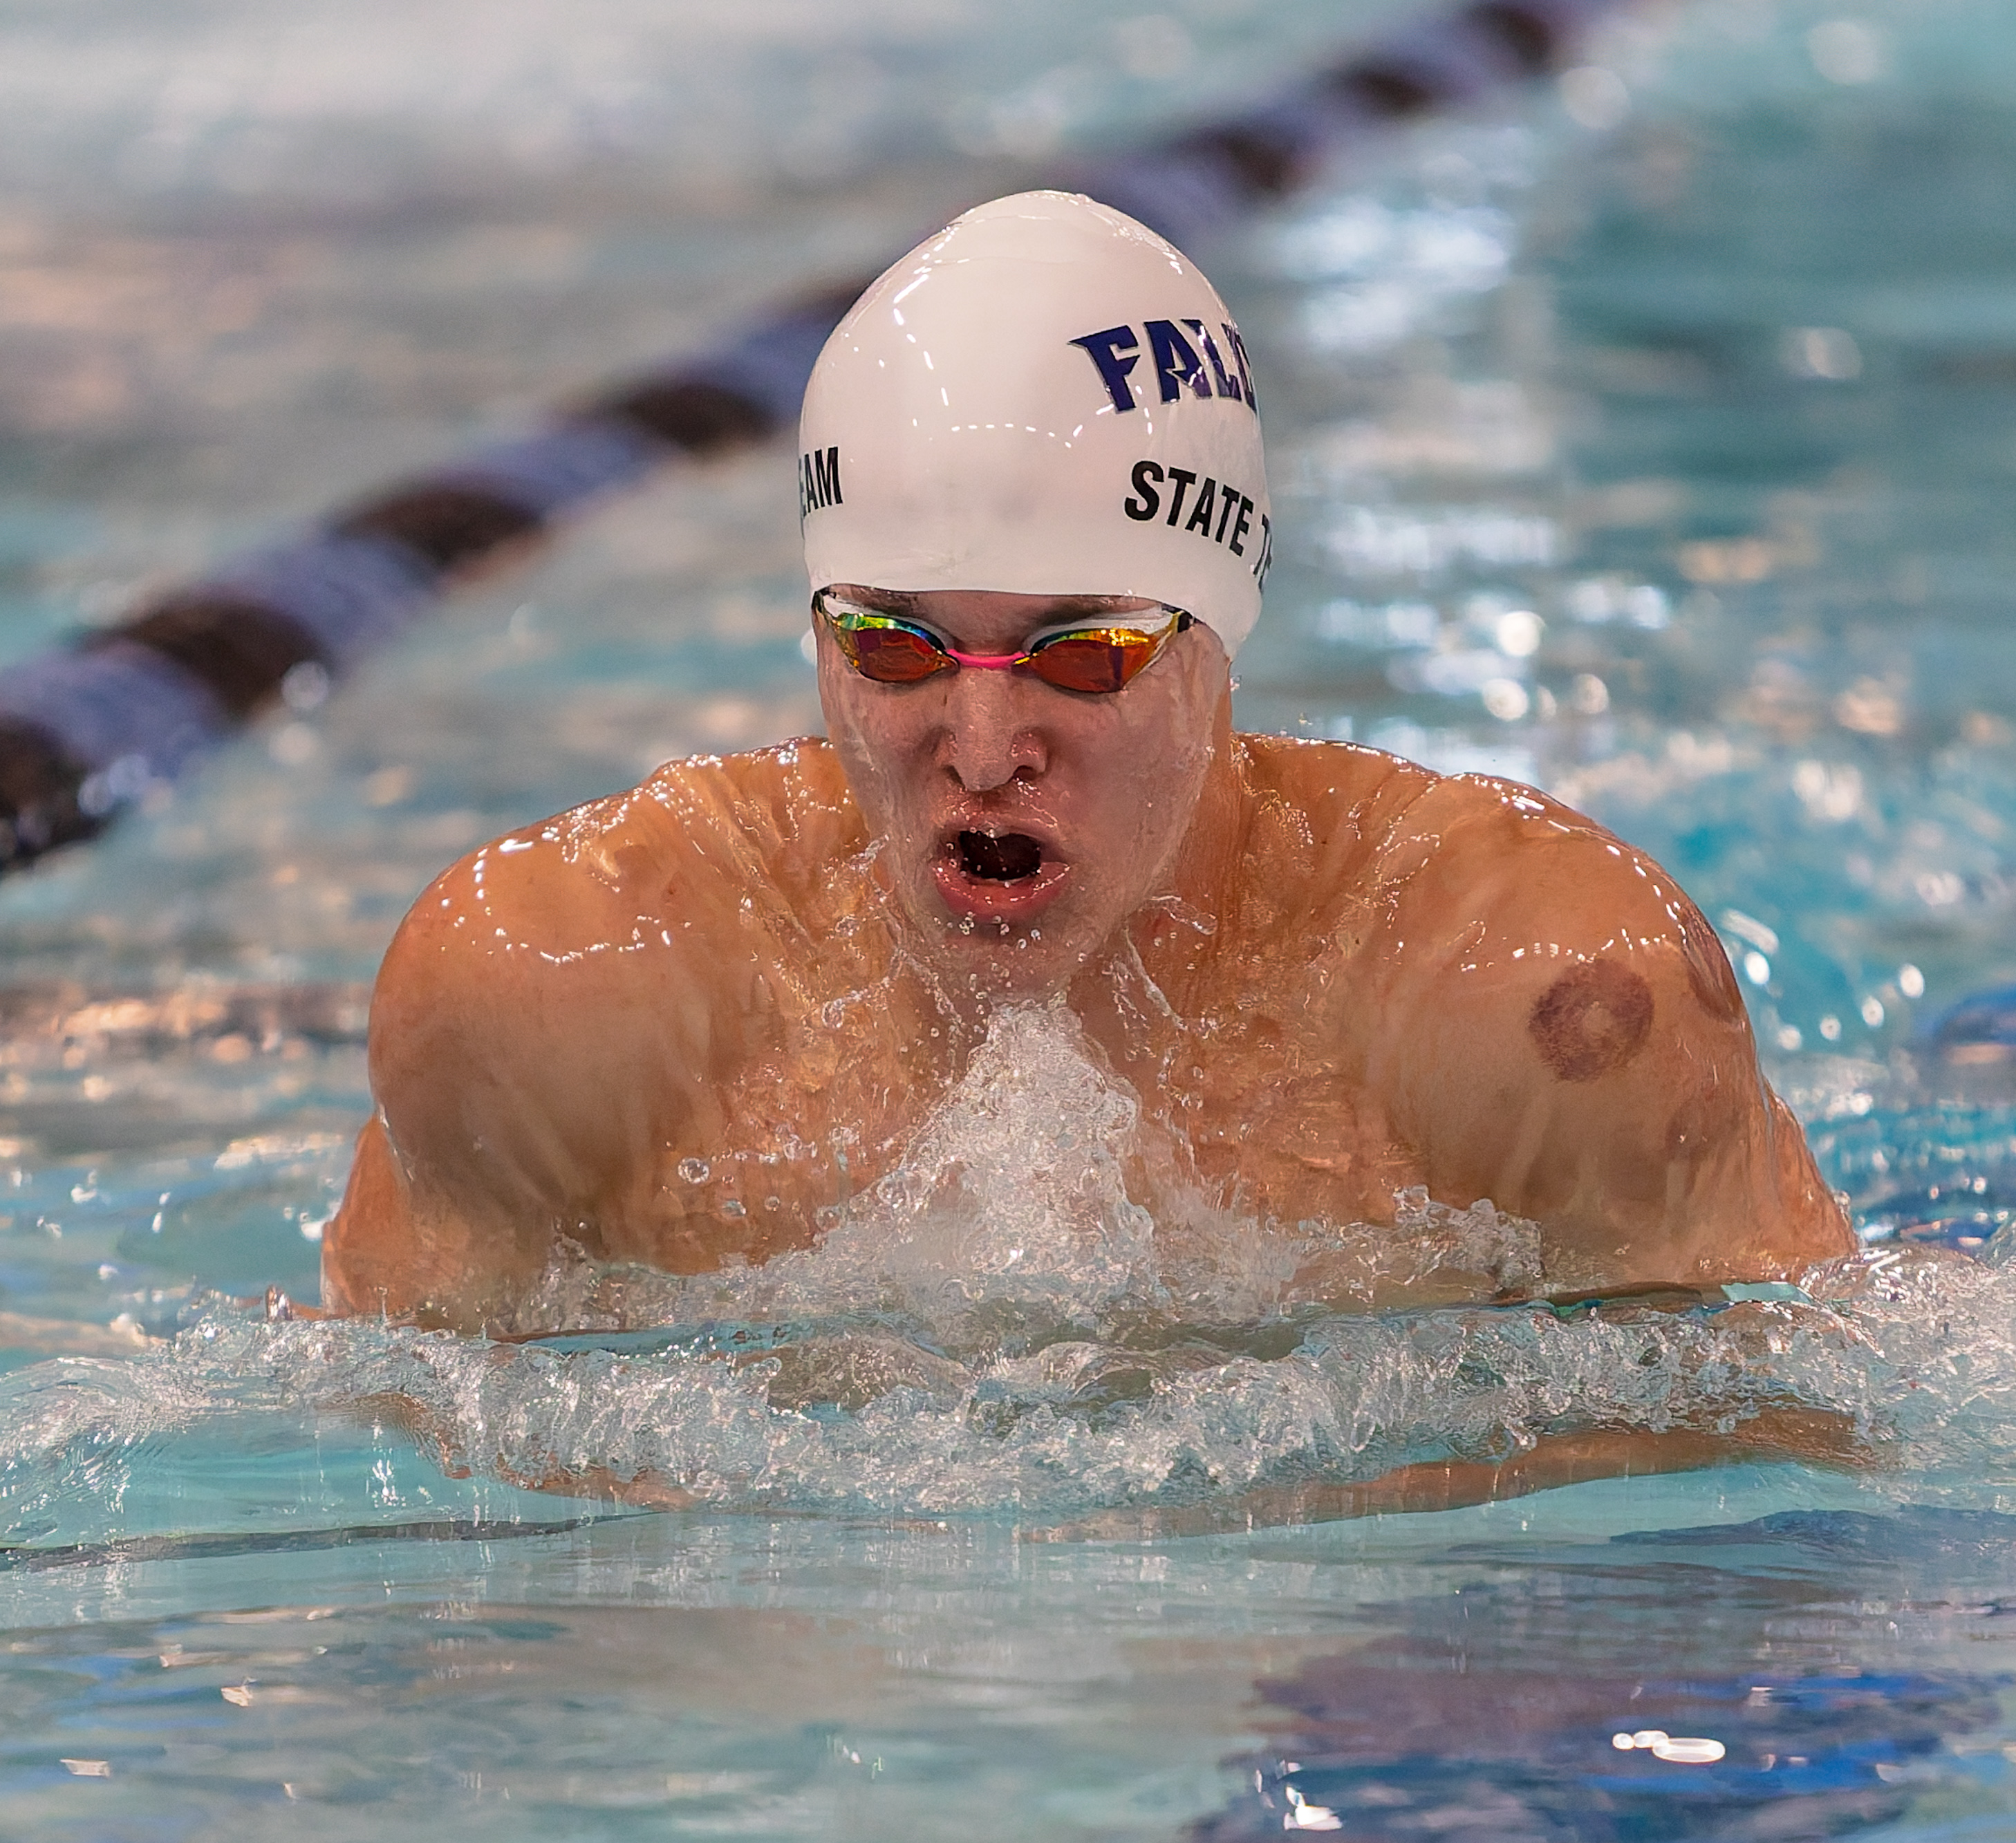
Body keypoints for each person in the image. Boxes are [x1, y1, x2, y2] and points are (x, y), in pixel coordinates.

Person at [322, 191, 1853, 1356]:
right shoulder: (554, 1002)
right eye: (898, 647)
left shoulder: (1532, 1007)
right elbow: (383, 1507)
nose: (983, 749)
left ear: (1213, 634)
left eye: (1083, 651)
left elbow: (1793, 1470)